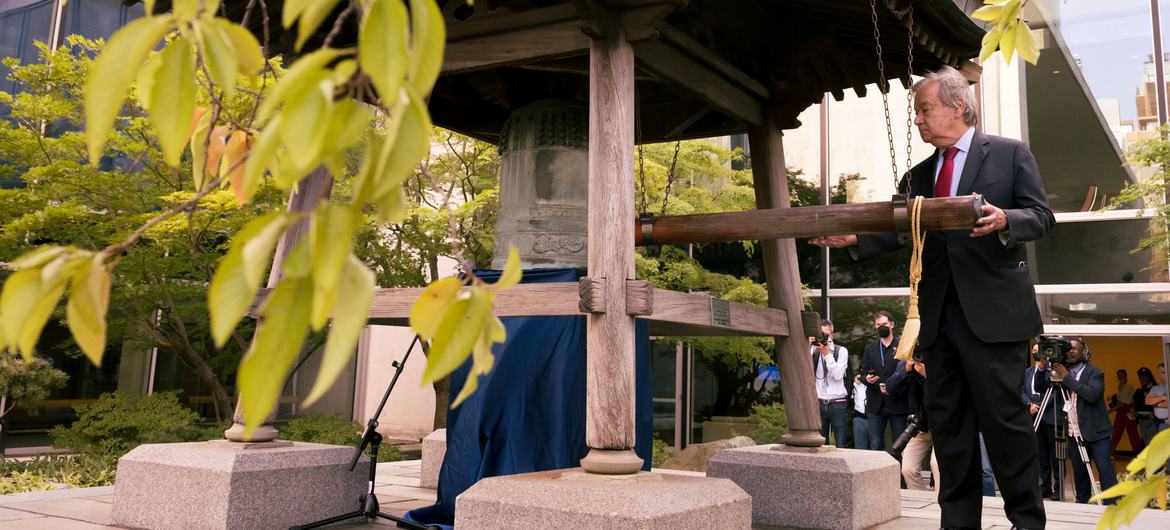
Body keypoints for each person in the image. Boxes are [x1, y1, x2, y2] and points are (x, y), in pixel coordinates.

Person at [811, 66, 1053, 529]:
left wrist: (1006, 221)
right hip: (937, 323)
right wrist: (856, 240)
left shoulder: (1008, 154)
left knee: (1007, 428)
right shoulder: (918, 176)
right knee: (951, 431)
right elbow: (903, 230)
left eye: (924, 109)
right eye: (916, 112)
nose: (918, 120)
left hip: (996, 319)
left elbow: (1041, 216)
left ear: (957, 106)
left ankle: (1027, 523)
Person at [1052, 338, 1119, 504]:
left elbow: (1091, 394)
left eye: (1075, 348)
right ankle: (1082, 504)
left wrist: (1067, 377)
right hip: (1073, 433)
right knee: (1080, 472)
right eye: (1068, 349)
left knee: (1104, 469)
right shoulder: (1060, 372)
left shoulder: (1095, 372)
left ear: (1085, 352)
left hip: (1097, 433)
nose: (1071, 351)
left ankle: (1113, 505)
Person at [886, 356, 938, 491]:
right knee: (908, 468)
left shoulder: (938, 357)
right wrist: (905, 370)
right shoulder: (906, 362)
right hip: (920, 425)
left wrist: (928, 374)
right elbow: (890, 387)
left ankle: (942, 506)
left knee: (937, 465)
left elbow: (950, 387)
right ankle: (923, 501)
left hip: (942, 424)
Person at [860, 311, 909, 450]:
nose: (882, 327)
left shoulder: (903, 346)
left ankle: (900, 472)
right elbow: (863, 373)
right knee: (875, 445)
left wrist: (892, 386)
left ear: (892, 325)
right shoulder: (870, 348)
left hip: (898, 402)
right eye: (878, 325)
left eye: (885, 324)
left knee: (899, 446)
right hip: (875, 404)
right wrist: (868, 379)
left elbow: (907, 374)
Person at [1022, 344, 1057, 499]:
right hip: (1033, 415)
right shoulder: (1027, 372)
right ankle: (1046, 486)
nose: (1036, 352)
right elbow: (1021, 391)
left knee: (1055, 454)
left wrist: (1042, 406)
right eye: (1034, 350)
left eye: (1038, 350)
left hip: (1050, 416)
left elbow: (1056, 392)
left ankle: (1059, 487)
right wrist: (1029, 405)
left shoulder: (1053, 371)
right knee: (1041, 454)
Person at [810, 319, 849, 447]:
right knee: (820, 444)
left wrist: (827, 354)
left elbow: (838, 375)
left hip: (837, 403)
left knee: (841, 443)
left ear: (831, 335)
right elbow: (804, 370)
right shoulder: (812, 351)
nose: (822, 337)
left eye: (826, 334)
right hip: (819, 402)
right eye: (820, 334)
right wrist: (806, 346)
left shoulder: (841, 351)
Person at [1109, 369, 1142, 453]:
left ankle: (1138, 453)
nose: (1120, 377)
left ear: (1126, 376)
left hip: (1128, 411)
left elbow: (1122, 402)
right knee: (1116, 433)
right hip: (1121, 412)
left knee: (1133, 434)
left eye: (1122, 375)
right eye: (1118, 375)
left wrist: (1111, 410)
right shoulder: (1120, 386)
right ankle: (1109, 451)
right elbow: (1119, 398)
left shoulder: (1128, 387)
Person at [1133, 366, 1159, 446]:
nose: (1142, 379)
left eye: (1144, 377)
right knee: (1147, 444)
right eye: (1140, 377)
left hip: (1152, 422)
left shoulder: (1155, 389)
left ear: (1149, 377)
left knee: (1153, 445)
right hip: (1142, 421)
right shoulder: (1139, 391)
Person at [1147, 363, 1169, 433]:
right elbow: (1148, 401)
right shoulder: (1156, 388)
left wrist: (1156, 403)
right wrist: (1164, 397)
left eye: (1163, 372)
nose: (1161, 375)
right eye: (1159, 373)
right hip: (1162, 424)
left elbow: (1166, 404)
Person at [852, 372, 870, 449]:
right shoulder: (855, 383)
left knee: (877, 447)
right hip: (859, 418)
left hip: (876, 418)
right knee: (860, 450)